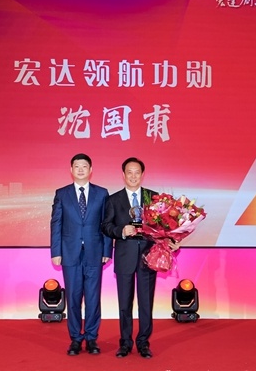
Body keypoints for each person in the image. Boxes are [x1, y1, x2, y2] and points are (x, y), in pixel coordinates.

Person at [101, 157, 179, 359]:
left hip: (148, 257)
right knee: (124, 304)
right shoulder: (113, 199)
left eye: (137, 172)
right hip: (124, 256)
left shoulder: (153, 198)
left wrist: (173, 240)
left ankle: (143, 342)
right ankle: (125, 343)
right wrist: (121, 231)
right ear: (123, 175)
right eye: (129, 172)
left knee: (146, 302)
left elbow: (165, 227)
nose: (133, 176)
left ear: (143, 174)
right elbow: (106, 226)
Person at [50, 153, 112, 356]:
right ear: (71, 170)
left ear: (91, 170)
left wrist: (107, 250)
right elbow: (56, 224)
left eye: (84, 166)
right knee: (73, 297)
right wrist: (56, 251)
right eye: (77, 166)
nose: (80, 169)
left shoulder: (102, 193)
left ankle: (92, 338)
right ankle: (76, 339)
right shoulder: (62, 194)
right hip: (69, 253)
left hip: (95, 252)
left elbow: (106, 224)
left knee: (93, 298)